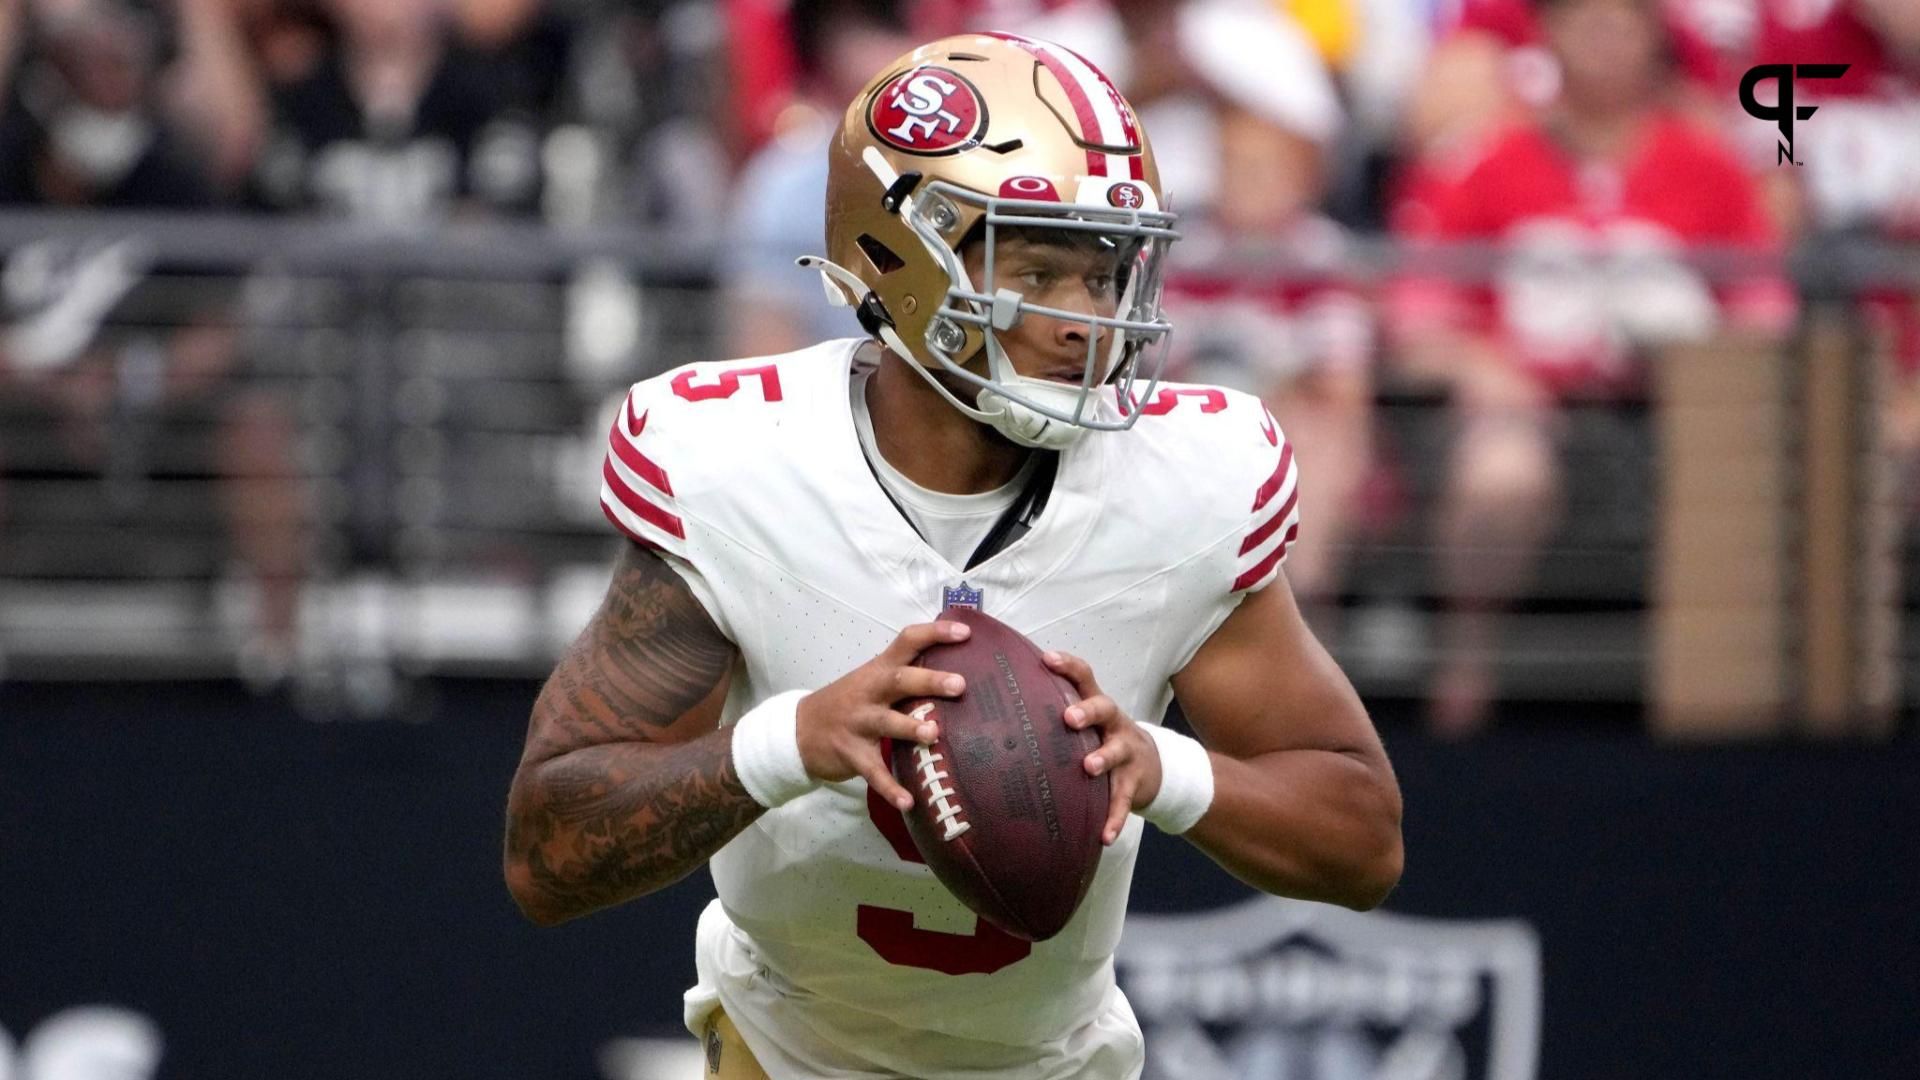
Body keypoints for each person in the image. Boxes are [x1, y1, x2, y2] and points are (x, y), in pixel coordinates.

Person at [503, 32, 1402, 1079]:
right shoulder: (743, 467)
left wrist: (1165, 770)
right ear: (899, 260)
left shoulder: (1182, 485)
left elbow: (1364, 839)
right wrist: (795, 741)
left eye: (1106, 273)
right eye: (1036, 271)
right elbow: (547, 852)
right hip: (780, 1055)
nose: (1088, 321)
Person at [1389, 0, 1792, 736]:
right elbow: (1415, 322)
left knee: (1738, 467)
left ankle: (1719, 707)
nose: (1603, 42)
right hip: (1523, 413)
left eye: (1622, 24)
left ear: (1654, 42)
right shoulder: (1483, 158)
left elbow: (1766, 316)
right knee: (1502, 474)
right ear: (1548, 38)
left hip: (1669, 418)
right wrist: (1486, 365)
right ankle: (1464, 677)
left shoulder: (1713, 166)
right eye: (1584, 22)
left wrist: (1696, 362)